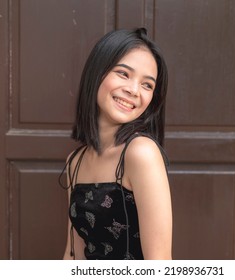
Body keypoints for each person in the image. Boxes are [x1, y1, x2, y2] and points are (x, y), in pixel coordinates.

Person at [60, 28, 172, 260]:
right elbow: (74, 253)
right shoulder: (75, 161)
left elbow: (159, 263)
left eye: (147, 85)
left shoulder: (141, 153)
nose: (133, 90)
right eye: (123, 73)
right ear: (97, 73)